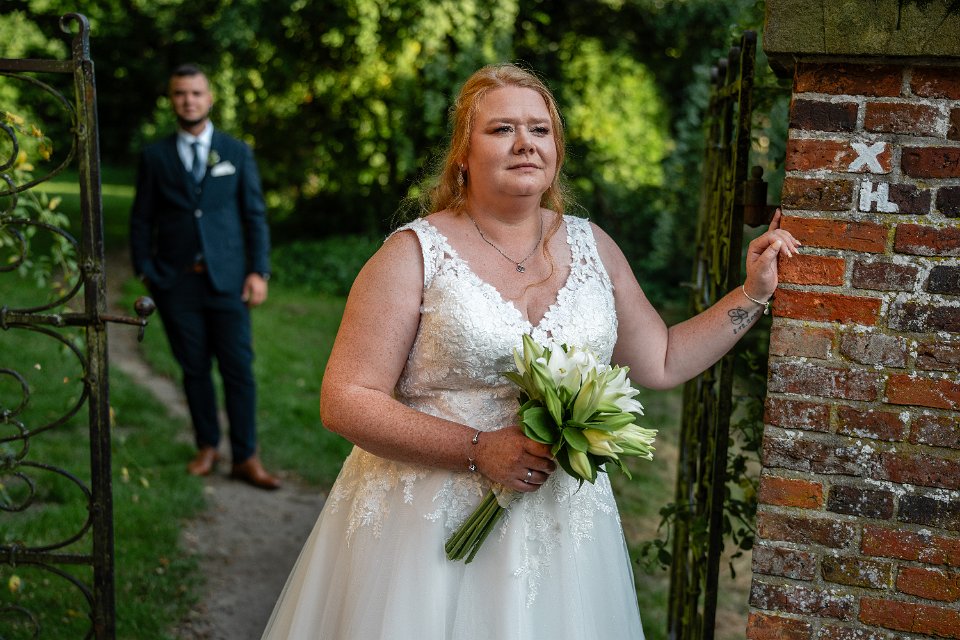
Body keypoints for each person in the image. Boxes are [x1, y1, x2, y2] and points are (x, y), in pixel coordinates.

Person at [261, 63, 798, 638]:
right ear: (462, 154)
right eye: (502, 129)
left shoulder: (594, 247)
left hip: (561, 531)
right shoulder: (414, 254)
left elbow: (663, 360)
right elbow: (345, 398)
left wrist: (752, 293)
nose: (525, 143)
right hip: (424, 531)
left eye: (540, 130)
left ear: (557, 151)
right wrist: (477, 449)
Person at [129, 63, 280, 490]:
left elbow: (254, 215)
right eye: (180, 93)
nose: (188, 100)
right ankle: (207, 447)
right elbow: (141, 219)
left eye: (196, 93)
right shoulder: (155, 157)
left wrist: (258, 271)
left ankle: (246, 457)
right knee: (193, 368)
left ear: (209, 98)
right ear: (171, 100)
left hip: (229, 280)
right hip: (176, 283)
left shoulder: (236, 152)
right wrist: (145, 270)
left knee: (238, 369)